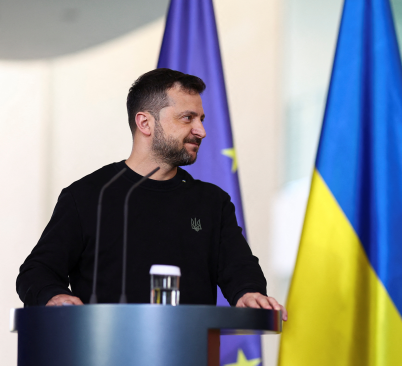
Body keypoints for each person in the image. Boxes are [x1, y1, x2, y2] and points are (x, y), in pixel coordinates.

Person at [17, 68, 287, 320]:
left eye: (201, 119)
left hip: (191, 352)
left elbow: (240, 269)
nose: (201, 131)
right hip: (101, 352)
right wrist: (54, 295)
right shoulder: (88, 196)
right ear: (145, 123)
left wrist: (248, 293)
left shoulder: (212, 203)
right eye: (187, 118)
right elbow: (37, 271)